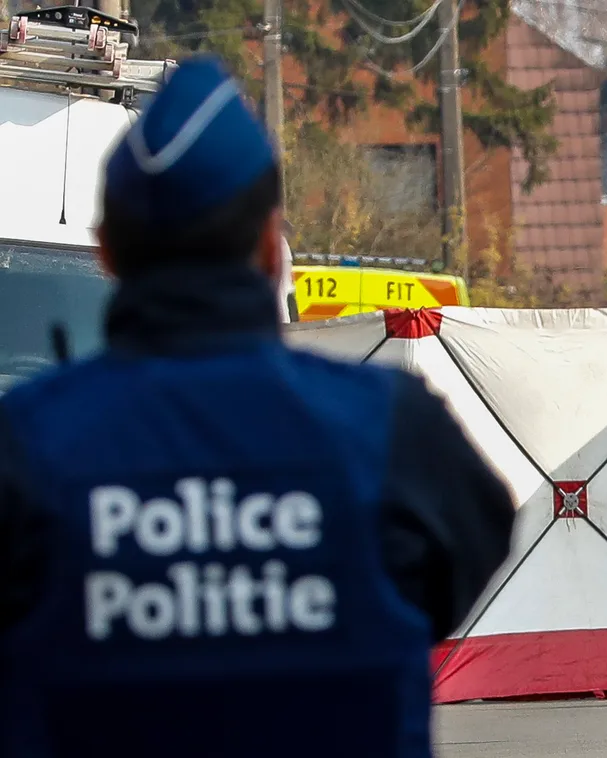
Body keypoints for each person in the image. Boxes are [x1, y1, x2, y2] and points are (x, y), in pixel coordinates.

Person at [0, 56, 517, 757]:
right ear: (273, 249)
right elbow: (458, 572)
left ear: (108, 252)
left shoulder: (25, 445)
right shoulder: (392, 429)